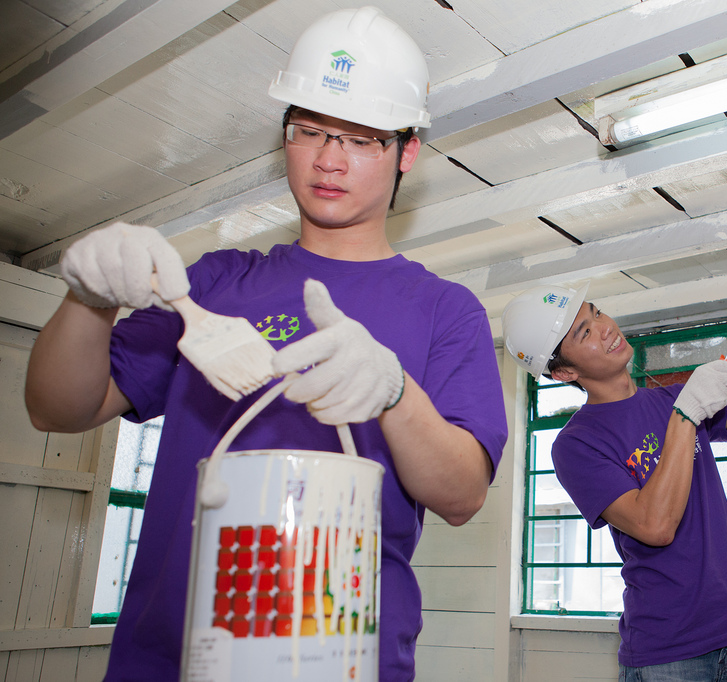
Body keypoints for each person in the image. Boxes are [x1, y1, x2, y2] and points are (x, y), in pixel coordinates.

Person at [24, 7, 507, 681]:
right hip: (168, 659)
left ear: (409, 150)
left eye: (362, 139)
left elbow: (462, 496)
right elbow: (57, 409)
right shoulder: (216, 284)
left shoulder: (444, 311)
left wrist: (395, 393)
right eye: (309, 130)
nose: (329, 159)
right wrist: (88, 300)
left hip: (342, 658)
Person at [501, 235, 727, 681]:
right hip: (670, 653)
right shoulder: (576, 443)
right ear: (565, 372)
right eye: (585, 332)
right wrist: (686, 417)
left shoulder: (671, 401)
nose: (605, 327)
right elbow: (654, 526)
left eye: (596, 313)